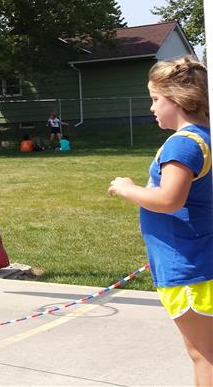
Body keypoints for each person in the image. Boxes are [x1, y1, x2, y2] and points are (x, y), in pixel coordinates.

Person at [108, 57, 211, 385]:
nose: (151, 108)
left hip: (189, 268)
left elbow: (169, 200)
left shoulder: (182, 144)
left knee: (204, 355)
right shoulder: (204, 138)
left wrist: (127, 189)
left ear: (178, 99)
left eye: (155, 99)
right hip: (199, 261)